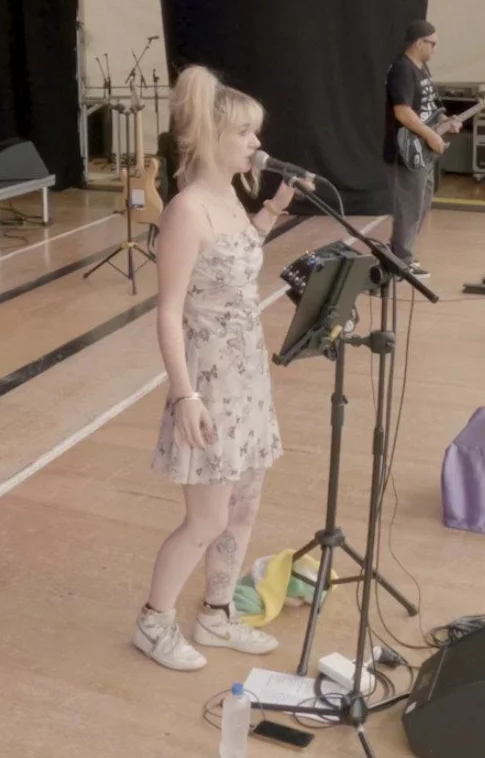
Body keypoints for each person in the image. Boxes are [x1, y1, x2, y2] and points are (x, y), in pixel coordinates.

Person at [133, 66, 296, 671]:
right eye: (247, 134)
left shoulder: (233, 196)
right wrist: (184, 397)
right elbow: (169, 312)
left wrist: (273, 212)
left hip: (249, 374)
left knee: (244, 504)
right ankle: (153, 622)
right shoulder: (186, 210)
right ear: (212, 137)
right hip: (208, 383)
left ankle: (218, 614)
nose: (258, 144)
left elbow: (237, 257)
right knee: (206, 519)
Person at [383, 20, 459, 276]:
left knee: (421, 204)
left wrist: (444, 122)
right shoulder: (402, 70)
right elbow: (403, 112)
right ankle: (400, 259)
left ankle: (401, 253)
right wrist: (430, 135)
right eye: (433, 44)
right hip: (407, 150)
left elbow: (426, 108)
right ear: (419, 42)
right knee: (409, 206)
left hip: (422, 149)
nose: (435, 49)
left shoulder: (422, 69)